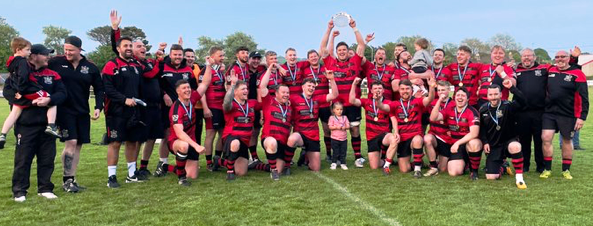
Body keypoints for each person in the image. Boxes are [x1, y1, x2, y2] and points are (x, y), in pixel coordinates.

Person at [8, 44, 67, 202]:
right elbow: (9, 93)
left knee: (47, 158)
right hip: (26, 125)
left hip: (48, 125)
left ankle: (45, 188)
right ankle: (19, 191)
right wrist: (32, 101)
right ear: (33, 56)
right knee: (23, 160)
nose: (48, 57)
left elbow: (62, 93)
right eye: (45, 54)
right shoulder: (19, 74)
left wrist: (49, 99)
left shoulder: (53, 74)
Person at [110, 10, 163, 178]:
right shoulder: (118, 63)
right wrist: (115, 29)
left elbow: (151, 74)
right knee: (121, 142)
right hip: (122, 108)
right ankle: (115, 175)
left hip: (143, 107)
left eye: (143, 46)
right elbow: (116, 46)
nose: (142, 48)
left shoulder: (140, 64)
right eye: (137, 46)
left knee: (138, 139)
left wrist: (159, 60)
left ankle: (134, 172)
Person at [48, 35, 104, 193]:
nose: (67, 53)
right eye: (65, 50)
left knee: (78, 145)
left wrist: (98, 106)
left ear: (80, 49)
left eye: (71, 50)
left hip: (82, 111)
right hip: (64, 110)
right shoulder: (55, 62)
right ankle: (66, 180)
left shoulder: (90, 67)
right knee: (71, 142)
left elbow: (99, 89)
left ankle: (72, 178)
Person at [102, 36, 158, 188]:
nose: (127, 48)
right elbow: (107, 88)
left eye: (129, 45)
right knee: (115, 143)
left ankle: (132, 174)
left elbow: (150, 75)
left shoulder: (136, 65)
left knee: (132, 142)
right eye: (125, 45)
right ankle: (111, 177)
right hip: (116, 111)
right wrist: (123, 99)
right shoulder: (111, 65)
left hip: (135, 111)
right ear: (118, 48)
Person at [320, 18, 367, 168]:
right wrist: (328, 30)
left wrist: (355, 28)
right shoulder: (331, 63)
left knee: (354, 129)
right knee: (334, 131)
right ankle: (334, 157)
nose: (341, 52)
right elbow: (323, 48)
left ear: (348, 52)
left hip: (352, 103)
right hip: (337, 105)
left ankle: (358, 157)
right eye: (339, 50)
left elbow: (361, 45)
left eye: (344, 50)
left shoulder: (355, 61)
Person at [0, 38, 60, 150]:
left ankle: (3, 135)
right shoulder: (22, 62)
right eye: (27, 50)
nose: (48, 57)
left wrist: (20, 95)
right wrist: (22, 92)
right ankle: (51, 126)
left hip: (21, 94)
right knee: (50, 100)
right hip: (30, 90)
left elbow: (14, 79)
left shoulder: (12, 62)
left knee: (14, 113)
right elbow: (23, 78)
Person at [540, 50, 588, 180]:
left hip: (568, 114)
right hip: (549, 113)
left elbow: (584, 98)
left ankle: (566, 170)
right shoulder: (550, 70)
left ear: (569, 58)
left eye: (563, 57)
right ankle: (547, 169)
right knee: (546, 138)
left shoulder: (577, 74)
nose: (559, 59)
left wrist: (582, 117)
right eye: (557, 57)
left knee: (567, 140)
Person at [167, 57, 212, 185]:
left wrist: (208, 65)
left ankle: (169, 167)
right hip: (176, 142)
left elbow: (205, 84)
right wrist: (196, 145)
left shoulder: (192, 99)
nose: (187, 90)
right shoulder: (176, 108)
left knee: (193, 175)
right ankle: (181, 178)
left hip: (191, 141)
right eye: (184, 88)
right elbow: (180, 133)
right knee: (183, 145)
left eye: (188, 87)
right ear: (177, 92)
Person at [381, 78, 435, 177]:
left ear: (411, 90)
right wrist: (377, 100)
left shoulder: (418, 101)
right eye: (402, 89)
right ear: (399, 90)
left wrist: (431, 88)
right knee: (404, 170)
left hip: (415, 135)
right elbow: (383, 107)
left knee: (418, 140)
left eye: (407, 88)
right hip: (402, 138)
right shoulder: (395, 104)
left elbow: (430, 99)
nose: (405, 91)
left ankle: (417, 170)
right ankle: (417, 162)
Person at [479, 81, 527, 189]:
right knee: (491, 177)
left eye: (496, 94)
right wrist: (485, 142)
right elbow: (482, 129)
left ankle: (519, 178)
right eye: (490, 95)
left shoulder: (508, 106)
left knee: (515, 146)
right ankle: (503, 167)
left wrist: (512, 88)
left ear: (501, 94)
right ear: (487, 96)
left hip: (509, 141)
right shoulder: (483, 109)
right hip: (494, 145)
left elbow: (524, 101)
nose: (493, 97)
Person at [286, 74, 339, 172]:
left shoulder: (317, 99)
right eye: (309, 86)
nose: (311, 88)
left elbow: (334, 95)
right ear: (303, 87)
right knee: (292, 139)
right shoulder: (294, 98)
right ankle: (287, 165)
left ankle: (305, 156)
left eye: (313, 86)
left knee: (316, 168)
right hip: (300, 134)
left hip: (313, 136)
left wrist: (332, 79)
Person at [430, 87, 482, 179]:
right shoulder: (450, 109)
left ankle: (474, 172)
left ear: (468, 99)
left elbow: (474, 133)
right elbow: (433, 118)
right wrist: (439, 101)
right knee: (453, 172)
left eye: (463, 95)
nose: (460, 97)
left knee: (474, 143)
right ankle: (465, 163)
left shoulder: (472, 112)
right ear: (454, 98)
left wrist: (457, 143)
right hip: (455, 145)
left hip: (466, 144)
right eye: (458, 95)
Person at [349, 79, 398, 169]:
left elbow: (393, 118)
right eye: (375, 88)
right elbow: (352, 101)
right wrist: (353, 85)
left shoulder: (388, 103)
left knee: (393, 139)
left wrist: (396, 132)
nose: (377, 90)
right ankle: (384, 160)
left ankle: (387, 164)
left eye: (380, 88)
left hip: (384, 135)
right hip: (371, 137)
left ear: (383, 90)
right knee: (374, 166)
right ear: (371, 90)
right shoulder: (367, 102)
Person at [220, 73, 261, 180]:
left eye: (246, 89)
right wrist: (232, 85)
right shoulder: (231, 104)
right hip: (231, 137)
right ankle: (229, 172)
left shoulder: (251, 103)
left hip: (245, 141)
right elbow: (226, 103)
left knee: (241, 172)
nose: (246, 91)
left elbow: (265, 104)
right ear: (235, 92)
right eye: (243, 89)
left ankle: (219, 161)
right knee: (235, 142)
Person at [257, 63, 292, 180]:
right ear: (276, 93)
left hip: (282, 143)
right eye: (283, 92)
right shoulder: (269, 101)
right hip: (269, 139)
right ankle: (273, 171)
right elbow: (262, 86)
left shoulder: (289, 107)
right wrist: (269, 69)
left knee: (280, 168)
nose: (286, 95)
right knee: (272, 143)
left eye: (287, 93)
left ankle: (259, 166)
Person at [202, 47, 226, 172]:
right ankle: (209, 162)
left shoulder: (220, 71)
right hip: (212, 107)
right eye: (220, 56)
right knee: (211, 134)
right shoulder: (206, 71)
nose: (222, 58)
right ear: (212, 56)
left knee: (222, 133)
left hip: (222, 107)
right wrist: (205, 108)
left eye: (223, 56)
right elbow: (202, 91)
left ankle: (218, 159)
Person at [423, 80, 453, 175]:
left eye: (443, 90)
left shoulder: (454, 104)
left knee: (443, 169)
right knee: (427, 138)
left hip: (447, 139)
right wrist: (439, 101)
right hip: (434, 135)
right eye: (439, 90)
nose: (441, 92)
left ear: (448, 90)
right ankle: (433, 166)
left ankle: (440, 163)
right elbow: (429, 119)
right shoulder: (433, 103)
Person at [328, 102, 350, 170]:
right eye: (337, 109)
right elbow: (330, 127)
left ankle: (343, 163)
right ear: (334, 110)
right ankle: (334, 163)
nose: (339, 111)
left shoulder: (345, 117)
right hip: (335, 138)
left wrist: (345, 127)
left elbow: (348, 126)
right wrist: (336, 127)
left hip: (344, 139)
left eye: (341, 109)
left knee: (343, 151)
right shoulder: (332, 118)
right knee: (335, 151)